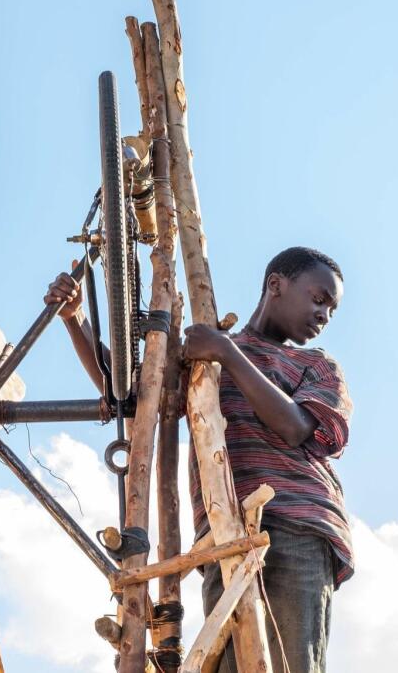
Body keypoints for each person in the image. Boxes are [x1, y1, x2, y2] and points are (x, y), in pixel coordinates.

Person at [44, 246, 353, 673]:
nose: (325, 315)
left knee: (290, 662)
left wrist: (227, 352)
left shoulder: (316, 366)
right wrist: (74, 319)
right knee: (231, 662)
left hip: (295, 525)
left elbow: (297, 427)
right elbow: (135, 396)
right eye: (319, 299)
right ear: (276, 285)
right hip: (220, 532)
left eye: (332, 309)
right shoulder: (204, 356)